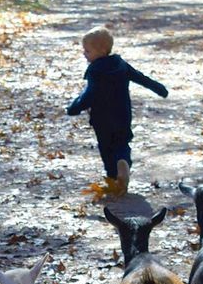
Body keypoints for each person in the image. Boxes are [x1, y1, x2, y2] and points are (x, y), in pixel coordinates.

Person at [66, 28, 169, 191]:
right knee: (122, 143)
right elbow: (141, 78)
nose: (84, 54)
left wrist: (74, 107)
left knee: (106, 148)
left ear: (101, 51)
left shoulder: (95, 71)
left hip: (102, 119)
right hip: (122, 115)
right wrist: (160, 89)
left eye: (87, 50)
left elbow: (89, 94)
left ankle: (114, 179)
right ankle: (124, 163)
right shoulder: (121, 64)